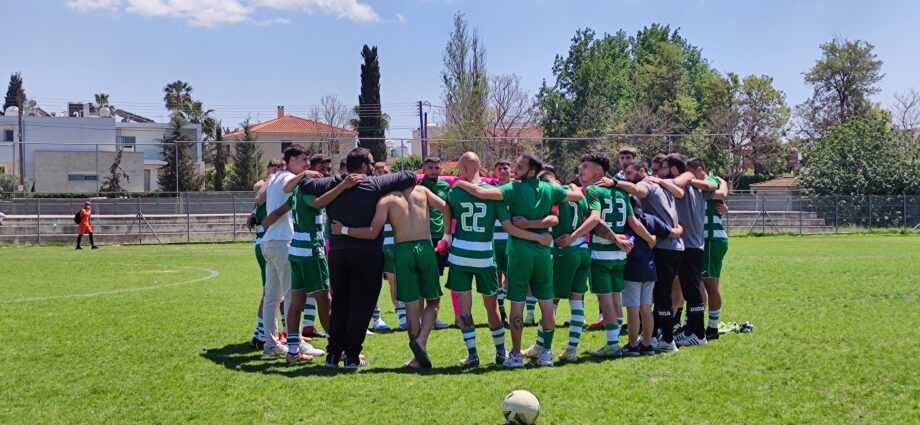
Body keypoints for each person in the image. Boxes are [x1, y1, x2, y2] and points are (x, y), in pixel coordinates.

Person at [453, 154, 583, 368]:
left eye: (520, 166)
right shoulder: (551, 189)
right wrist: (572, 188)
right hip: (544, 253)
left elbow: (481, 192)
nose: (515, 169)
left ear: (531, 170)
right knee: (547, 303)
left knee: (517, 303)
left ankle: (515, 354)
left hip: (519, 254)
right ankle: (546, 353)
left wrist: (460, 183)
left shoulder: (513, 188)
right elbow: (577, 196)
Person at [298, 147, 418, 369]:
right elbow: (410, 176)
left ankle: (333, 354)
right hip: (367, 254)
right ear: (363, 166)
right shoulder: (375, 183)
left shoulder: (333, 183)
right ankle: (352, 355)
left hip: (339, 254)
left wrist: (312, 175)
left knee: (340, 304)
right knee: (362, 306)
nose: (372, 167)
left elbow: (306, 186)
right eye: (371, 163)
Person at [445, 152, 549, 368]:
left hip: (460, 256)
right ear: (479, 167)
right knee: (492, 307)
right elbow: (509, 227)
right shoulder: (494, 193)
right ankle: (501, 352)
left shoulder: (454, 192)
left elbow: (446, 209)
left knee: (464, 308)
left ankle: (472, 355)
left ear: (462, 168)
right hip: (484, 256)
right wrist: (537, 237)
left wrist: (446, 235)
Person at [331, 181, 449, 369]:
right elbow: (446, 207)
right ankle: (421, 342)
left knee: (411, 306)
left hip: (402, 251)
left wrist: (344, 230)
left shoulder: (387, 199)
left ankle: (417, 357)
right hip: (425, 247)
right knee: (433, 301)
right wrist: (446, 236)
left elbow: (372, 232)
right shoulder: (422, 191)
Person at [262, 160, 360, 364]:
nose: (324, 175)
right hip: (311, 252)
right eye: (321, 171)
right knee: (325, 301)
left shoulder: (296, 192)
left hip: (296, 251)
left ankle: (293, 352)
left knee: (295, 303)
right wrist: (343, 186)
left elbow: (282, 210)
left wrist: (265, 222)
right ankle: (338, 348)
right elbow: (318, 203)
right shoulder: (308, 191)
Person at [558, 153, 653, 358]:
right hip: (620, 255)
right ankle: (615, 340)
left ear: (599, 171)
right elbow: (634, 223)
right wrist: (650, 238)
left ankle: (612, 345)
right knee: (615, 299)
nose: (580, 171)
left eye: (585, 167)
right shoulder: (621, 192)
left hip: (601, 254)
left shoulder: (593, 190)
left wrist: (573, 236)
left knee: (606, 301)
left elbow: (595, 219)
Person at [614, 162, 685, 353]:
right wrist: (679, 229)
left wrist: (614, 183)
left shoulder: (645, 187)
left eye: (629, 173)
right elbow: (671, 231)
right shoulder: (653, 216)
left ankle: (642, 343)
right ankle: (649, 341)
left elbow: (638, 191)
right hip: (656, 263)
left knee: (637, 306)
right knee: (650, 305)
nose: (627, 177)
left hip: (636, 268)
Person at [256, 146, 311, 359]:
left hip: (270, 242)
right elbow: (289, 187)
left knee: (272, 297)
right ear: (292, 160)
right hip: (283, 243)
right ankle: (295, 344)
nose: (306, 164)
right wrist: (305, 175)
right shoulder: (287, 177)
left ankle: (271, 345)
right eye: (303, 160)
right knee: (291, 296)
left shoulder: (275, 177)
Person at [537, 170, 592, 362]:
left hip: (564, 252)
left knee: (550, 300)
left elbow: (552, 220)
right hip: (583, 250)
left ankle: (543, 347)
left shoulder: (552, 195)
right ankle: (571, 350)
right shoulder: (576, 193)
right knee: (577, 300)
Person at [249, 159, 285, 350]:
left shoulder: (277, 187)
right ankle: (261, 334)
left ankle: (267, 333)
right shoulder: (265, 185)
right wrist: (271, 180)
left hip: (272, 242)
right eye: (274, 168)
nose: (277, 171)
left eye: (280, 168)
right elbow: (259, 196)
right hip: (267, 243)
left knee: (276, 293)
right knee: (270, 292)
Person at [371, 161, 405, 333]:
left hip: (393, 243)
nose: (381, 174)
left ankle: (403, 318)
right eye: (378, 171)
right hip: (372, 243)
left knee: (395, 281)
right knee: (373, 283)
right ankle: (376, 319)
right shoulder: (368, 192)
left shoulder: (397, 194)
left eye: (384, 171)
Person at [492, 159, 513, 324]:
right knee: (497, 277)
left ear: (511, 171)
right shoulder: (491, 190)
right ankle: (502, 311)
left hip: (512, 239)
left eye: (506, 168)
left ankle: (518, 312)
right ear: (495, 172)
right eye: (500, 168)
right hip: (494, 240)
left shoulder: (517, 190)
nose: (503, 171)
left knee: (512, 277)